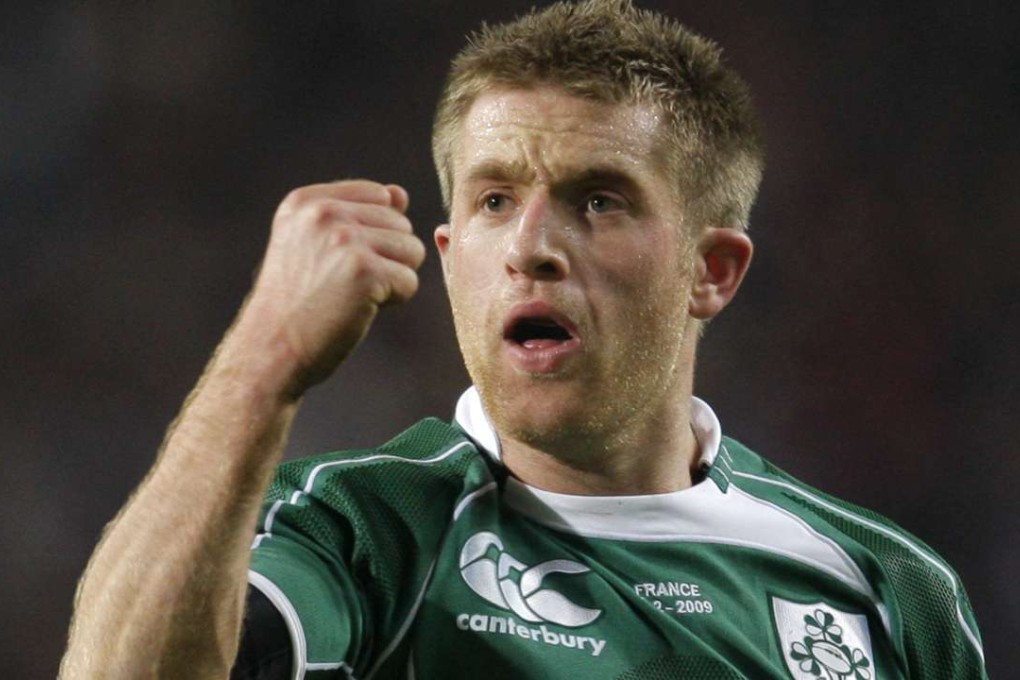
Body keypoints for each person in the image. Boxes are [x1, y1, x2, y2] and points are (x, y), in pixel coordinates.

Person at [61, 1, 987, 678]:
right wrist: (263, 361)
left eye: (599, 199)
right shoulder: (369, 530)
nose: (532, 249)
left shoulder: (887, 590)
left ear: (712, 271)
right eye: (496, 199)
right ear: (452, 254)